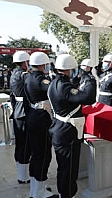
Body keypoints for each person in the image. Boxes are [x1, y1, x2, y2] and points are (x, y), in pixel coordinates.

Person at [48, 54, 96, 198]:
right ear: (69, 69)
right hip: (67, 133)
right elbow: (89, 98)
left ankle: (64, 193)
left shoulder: (55, 82)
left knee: (63, 167)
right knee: (69, 169)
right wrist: (89, 78)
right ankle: (68, 194)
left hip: (59, 129)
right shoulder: (64, 86)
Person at [24, 52, 57, 198]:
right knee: (43, 155)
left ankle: (36, 188)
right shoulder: (40, 80)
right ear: (43, 64)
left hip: (32, 117)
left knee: (36, 154)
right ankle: (39, 192)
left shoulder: (28, 78)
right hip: (41, 119)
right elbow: (54, 90)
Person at [10, 51, 31, 184]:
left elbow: (12, 96)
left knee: (19, 144)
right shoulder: (24, 75)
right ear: (25, 62)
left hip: (17, 111)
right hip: (24, 112)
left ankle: (21, 174)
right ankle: (24, 176)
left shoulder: (13, 75)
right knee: (26, 145)